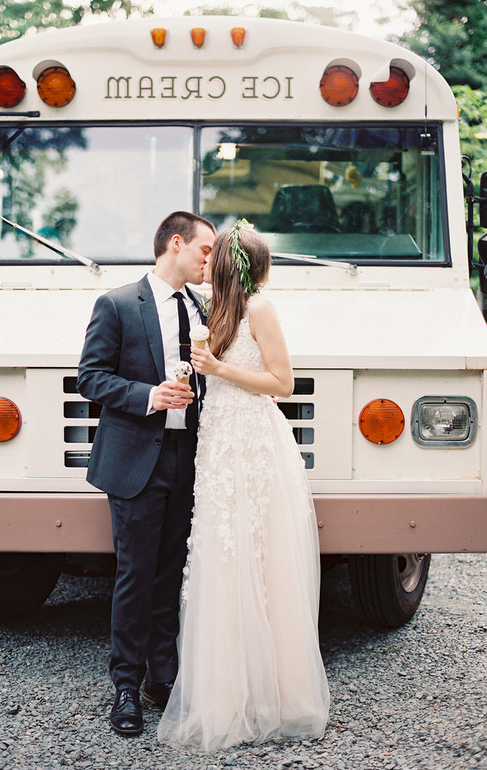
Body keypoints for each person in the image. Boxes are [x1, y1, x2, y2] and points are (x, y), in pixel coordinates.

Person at [157, 221, 330, 751]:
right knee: (221, 558)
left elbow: (283, 383)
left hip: (253, 442)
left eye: (213, 257)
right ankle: (227, 692)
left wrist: (219, 370)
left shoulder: (260, 308)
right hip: (219, 443)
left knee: (260, 556)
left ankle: (275, 693)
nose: (204, 264)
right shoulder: (219, 310)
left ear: (233, 265)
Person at [77, 211, 216, 737]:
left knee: (169, 572)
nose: (210, 260)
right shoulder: (116, 304)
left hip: (187, 457)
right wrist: (149, 396)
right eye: (205, 250)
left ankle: (164, 678)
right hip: (136, 459)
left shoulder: (201, 307)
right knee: (135, 575)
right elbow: (90, 378)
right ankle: (125, 689)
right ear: (175, 244)